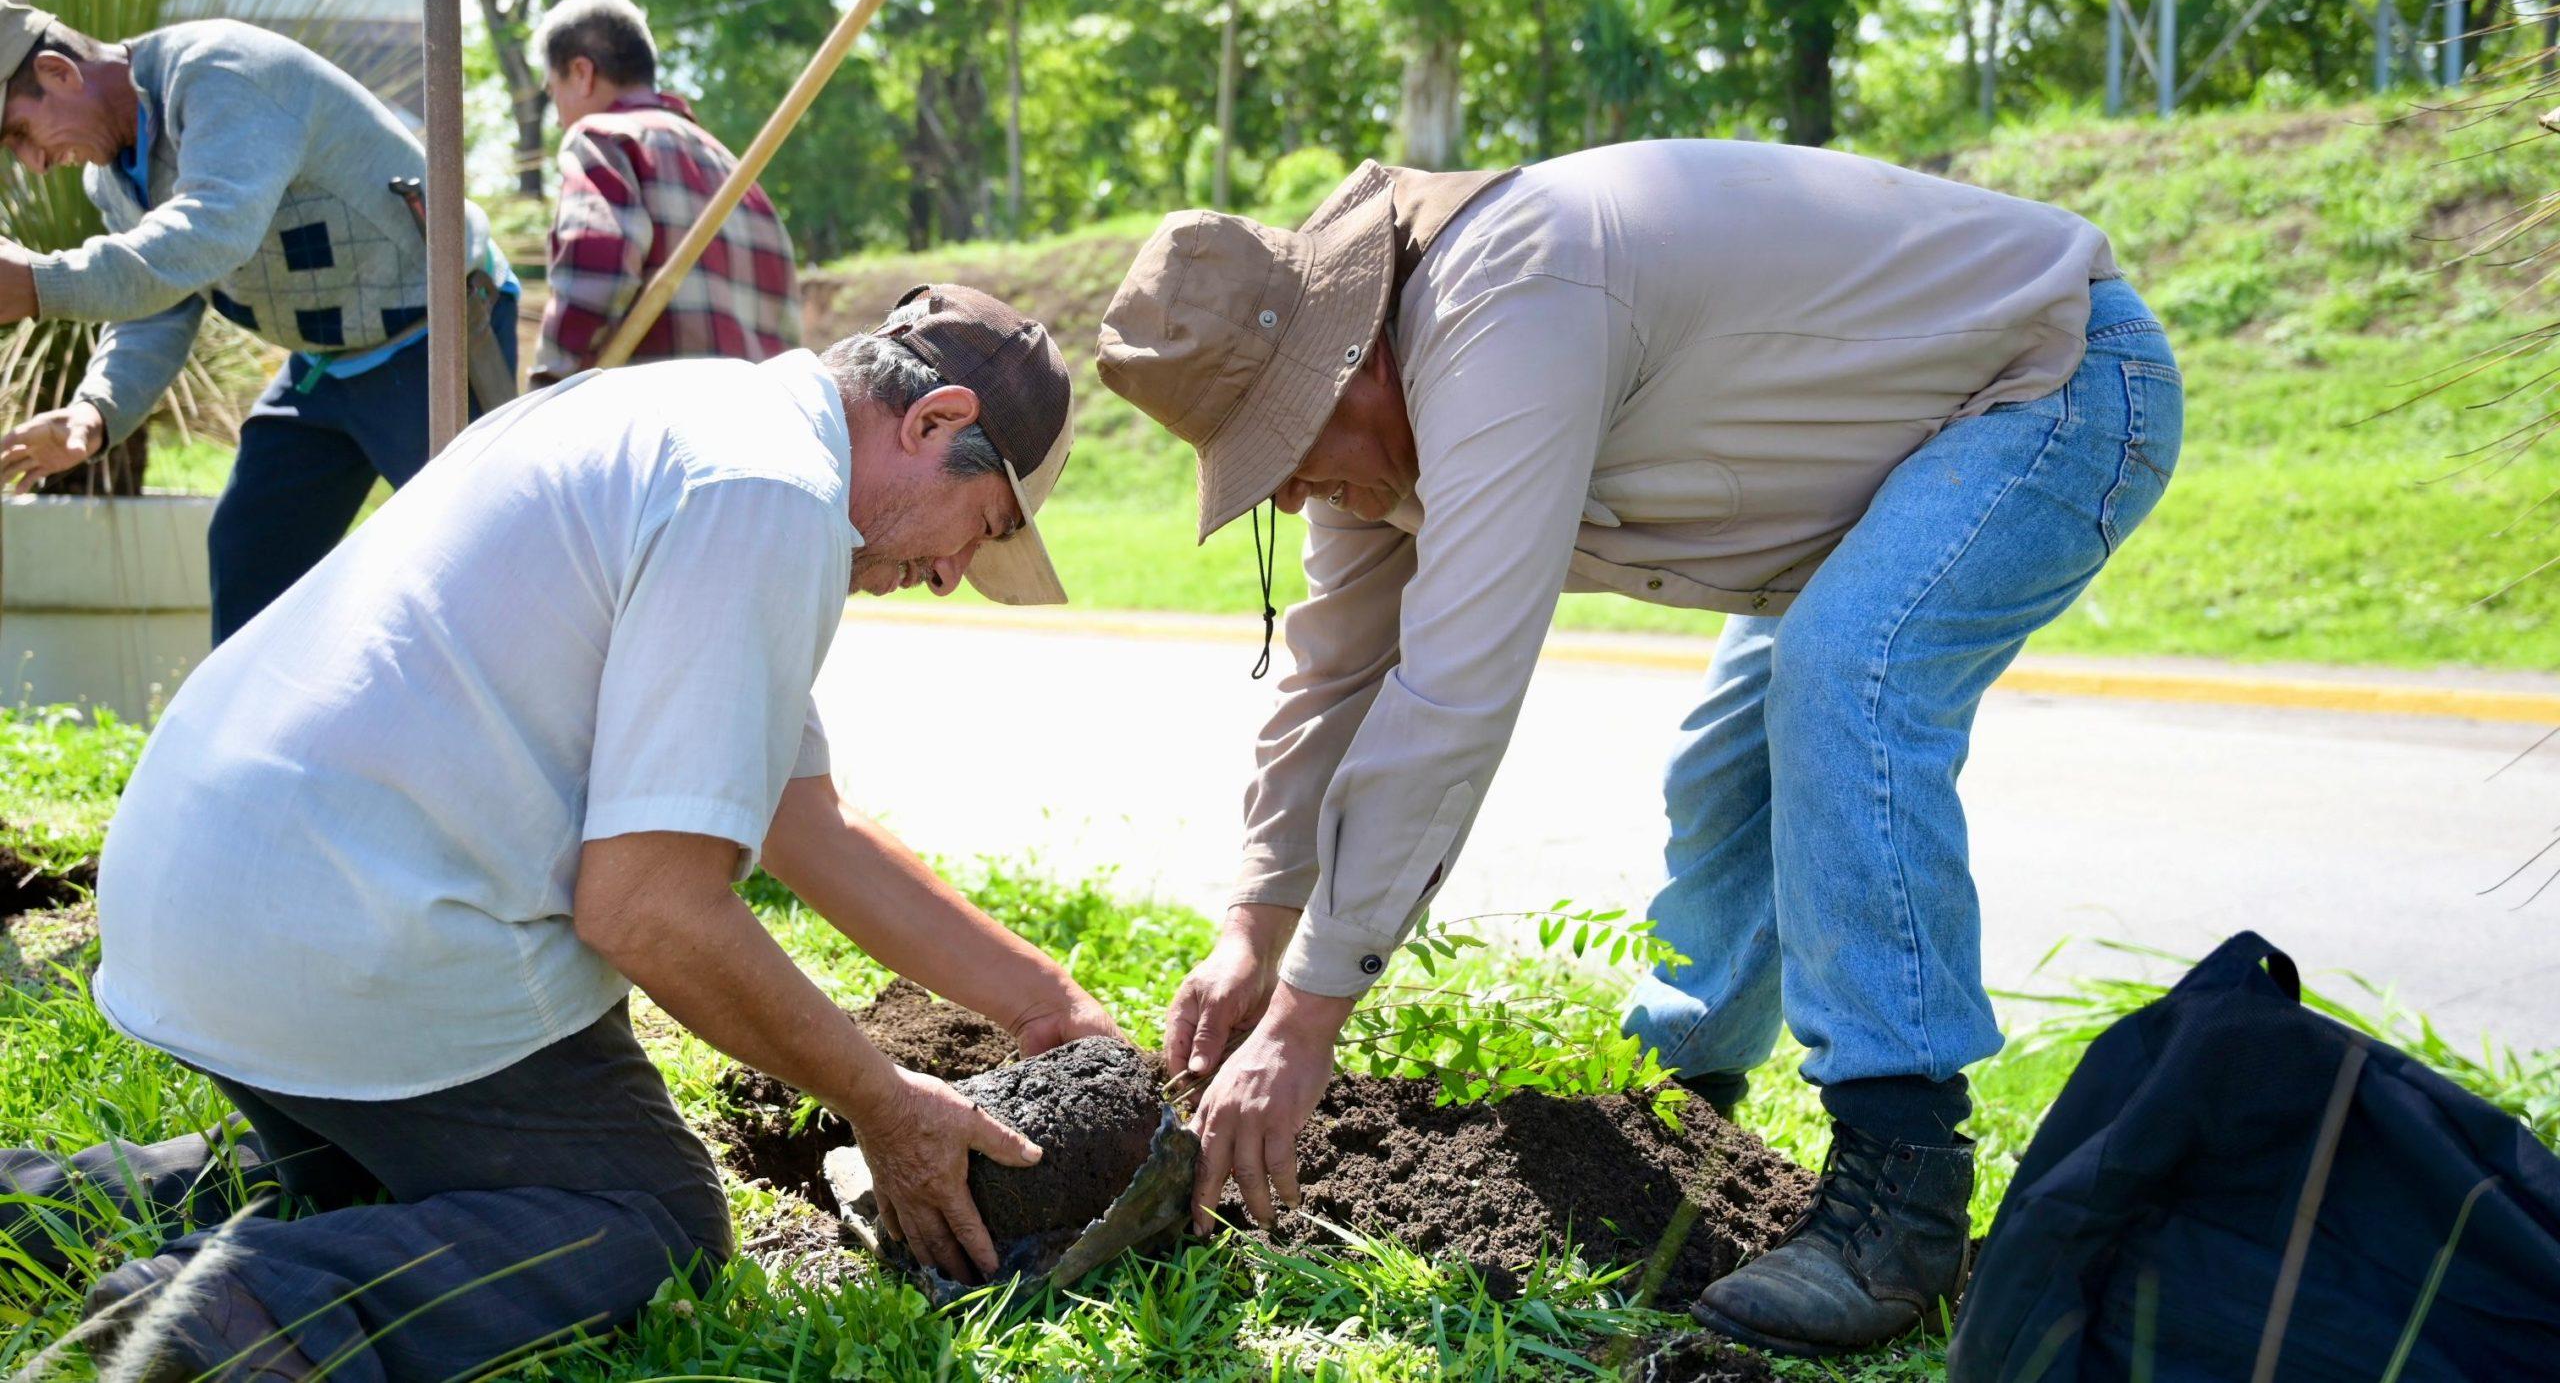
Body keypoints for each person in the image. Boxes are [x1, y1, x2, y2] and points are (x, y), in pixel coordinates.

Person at [1094, 140, 2181, 1358]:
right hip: (1895, 447)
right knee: (1727, 763)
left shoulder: (1506, 314)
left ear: (1345, 362)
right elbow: (1333, 676)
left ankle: (1903, 1187)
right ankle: (1685, 1118)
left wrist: (1305, 1024)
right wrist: (1255, 928)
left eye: (1283, 450)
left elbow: (1453, 694)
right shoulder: (1378, 443)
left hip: (2050, 388)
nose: (1290, 497)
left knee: (1844, 681)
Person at [0, 286, 1087, 1380]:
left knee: (387, 1189)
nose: (950, 573)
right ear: (934, 421)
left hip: (208, 894)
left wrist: (1049, 1006)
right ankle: (211, 1325)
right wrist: (881, 1102)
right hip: (347, 931)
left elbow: (809, 821)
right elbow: (650, 911)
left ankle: (29, 1210)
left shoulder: (686, 420)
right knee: (640, 1219)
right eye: (983, 527)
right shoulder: (770, 493)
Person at [0, 0, 520, 641]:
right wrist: (93, 412)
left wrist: (38, 284)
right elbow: (160, 304)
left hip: (433, 336)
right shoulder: (109, 179)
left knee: (483, 573)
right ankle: (261, 743)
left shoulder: (220, 73)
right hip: (325, 366)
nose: (35, 163)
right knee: (251, 549)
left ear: (57, 71)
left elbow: (209, 234)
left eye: (20, 132)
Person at [529, 0, 802, 385]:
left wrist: (546, 389)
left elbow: (595, 267)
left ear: (582, 73)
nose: (557, 120)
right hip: (756, 429)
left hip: (659, 431)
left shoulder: (604, 139)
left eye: (554, 92)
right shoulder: (738, 174)